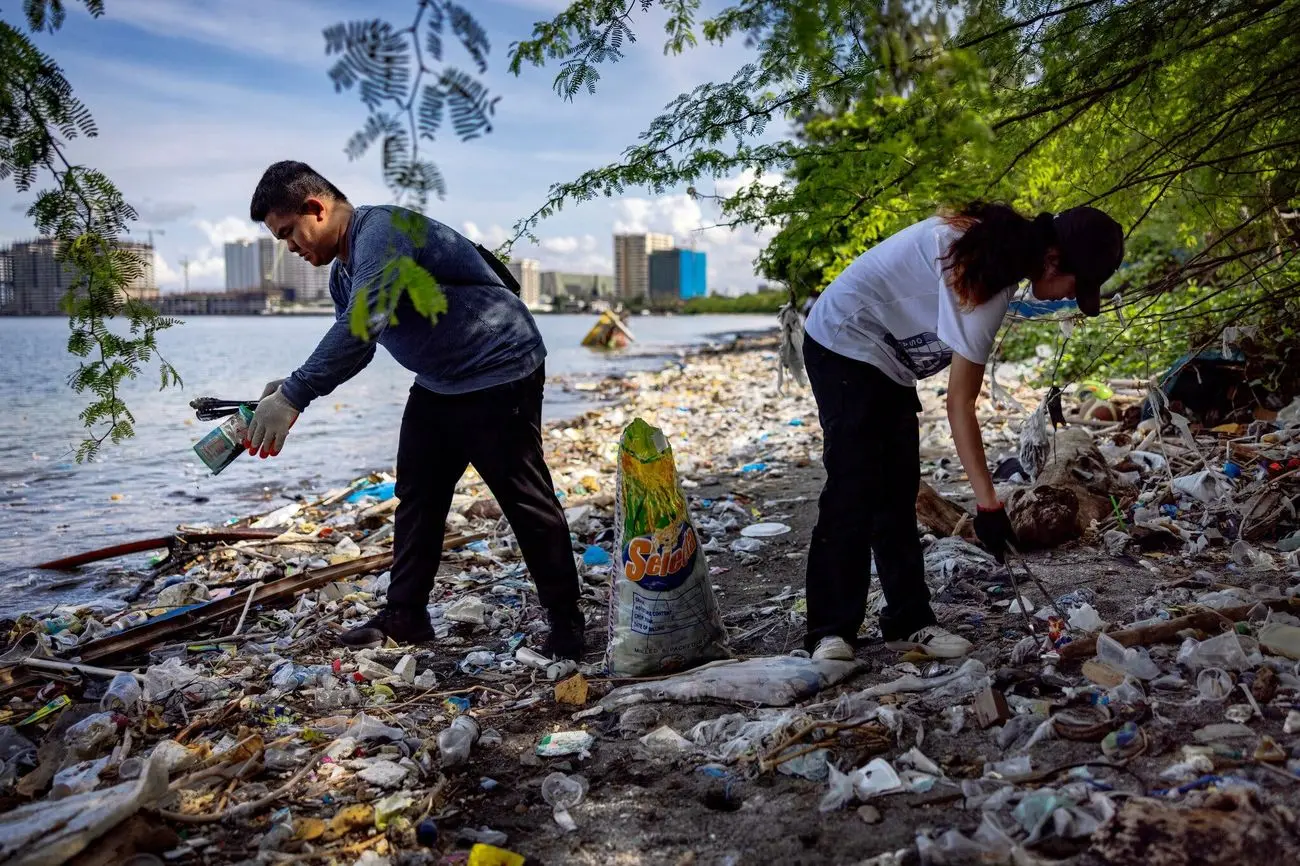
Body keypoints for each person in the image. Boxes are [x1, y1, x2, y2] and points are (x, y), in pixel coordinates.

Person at [243, 161, 585, 659]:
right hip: (440, 384)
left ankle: (566, 620)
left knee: (524, 499)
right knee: (417, 496)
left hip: (500, 367)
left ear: (315, 209)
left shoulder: (381, 232)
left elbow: (362, 325)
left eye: (287, 233)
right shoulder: (345, 272)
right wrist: (285, 388)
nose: (290, 248)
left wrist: (296, 394)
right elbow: (357, 346)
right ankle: (405, 615)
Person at [800, 202, 1124, 661]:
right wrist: (989, 508)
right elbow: (959, 406)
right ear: (1054, 259)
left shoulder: (998, 258)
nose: (1069, 297)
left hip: (888, 361)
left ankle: (909, 623)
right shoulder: (982, 274)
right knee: (854, 484)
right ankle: (830, 631)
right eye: (1077, 285)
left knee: (897, 489)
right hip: (842, 339)